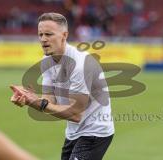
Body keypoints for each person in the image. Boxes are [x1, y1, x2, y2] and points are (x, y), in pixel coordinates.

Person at [10, 12, 114, 160]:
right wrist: (28, 99)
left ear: (64, 35)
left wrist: (35, 102)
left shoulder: (80, 65)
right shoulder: (46, 61)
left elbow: (75, 114)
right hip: (73, 132)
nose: (43, 39)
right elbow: (49, 102)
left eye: (49, 34)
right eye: (40, 35)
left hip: (95, 132)